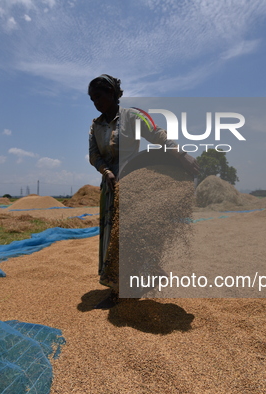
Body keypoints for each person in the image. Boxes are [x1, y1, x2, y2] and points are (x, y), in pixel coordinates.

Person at [87, 74, 199, 308]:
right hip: (110, 187)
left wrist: (180, 155)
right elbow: (94, 156)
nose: (96, 102)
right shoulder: (95, 126)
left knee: (133, 235)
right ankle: (122, 283)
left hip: (134, 185)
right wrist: (106, 172)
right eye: (92, 98)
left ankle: (129, 285)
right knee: (112, 237)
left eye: (99, 96)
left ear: (113, 93)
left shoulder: (133, 117)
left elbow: (158, 135)